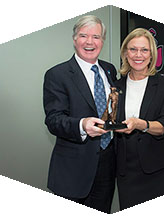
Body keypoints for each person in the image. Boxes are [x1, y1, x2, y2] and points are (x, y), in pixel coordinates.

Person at [43, 15, 117, 213]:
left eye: (96, 36)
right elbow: (53, 120)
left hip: (107, 164)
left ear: (102, 41)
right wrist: (82, 125)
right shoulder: (57, 74)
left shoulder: (110, 70)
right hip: (72, 170)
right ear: (74, 39)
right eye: (84, 35)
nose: (90, 42)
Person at [115, 28, 164, 210]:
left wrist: (140, 124)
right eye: (133, 49)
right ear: (125, 53)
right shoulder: (115, 85)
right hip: (126, 170)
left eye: (144, 50)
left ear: (152, 55)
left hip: (160, 168)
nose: (138, 55)